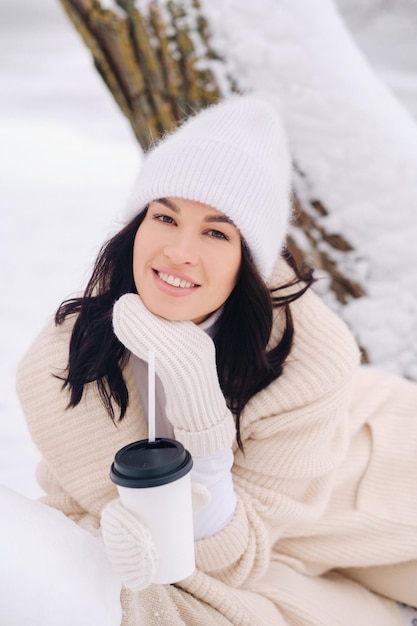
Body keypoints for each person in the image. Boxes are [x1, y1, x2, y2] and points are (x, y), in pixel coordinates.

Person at [15, 96, 417, 626]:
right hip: (270, 547)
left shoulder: (311, 353)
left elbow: (225, 563)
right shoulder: (62, 364)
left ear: (248, 262)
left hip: (374, 488)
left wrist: (200, 411)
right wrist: (112, 527)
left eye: (216, 232)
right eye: (164, 216)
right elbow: (103, 515)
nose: (180, 251)